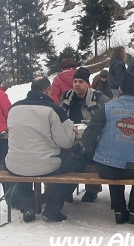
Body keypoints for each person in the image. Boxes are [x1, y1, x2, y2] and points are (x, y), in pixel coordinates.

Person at [82, 72, 134, 225]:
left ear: (120, 89)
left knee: (114, 164)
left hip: (105, 167)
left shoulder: (106, 108)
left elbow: (88, 136)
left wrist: (97, 153)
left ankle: (119, 210)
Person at [6, 77, 86, 223]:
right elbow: (66, 142)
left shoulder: (13, 108)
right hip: (45, 164)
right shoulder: (52, 109)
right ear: (47, 89)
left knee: (23, 168)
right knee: (78, 166)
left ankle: (27, 206)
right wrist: (70, 130)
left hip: (15, 163)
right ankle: (52, 209)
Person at [60, 67, 110, 202]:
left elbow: (110, 112)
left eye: (80, 81)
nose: (76, 84)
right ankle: (65, 189)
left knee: (90, 154)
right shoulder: (66, 96)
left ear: (87, 83)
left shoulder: (98, 97)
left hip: (92, 137)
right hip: (70, 136)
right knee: (63, 155)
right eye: (75, 81)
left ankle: (92, 189)